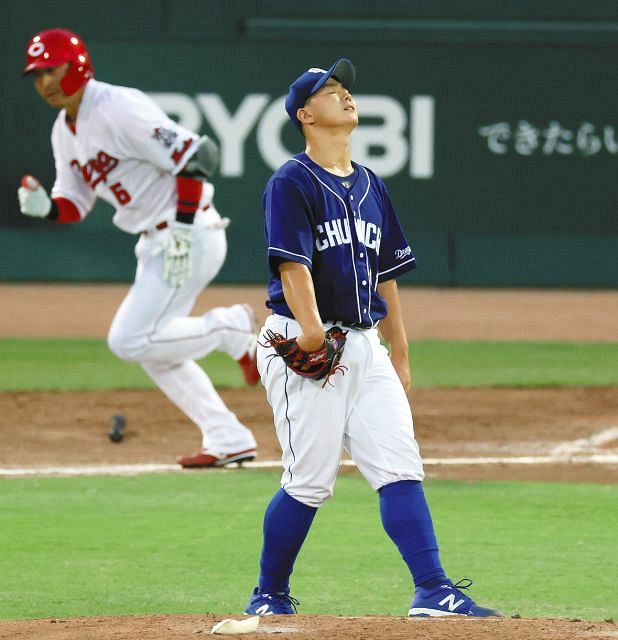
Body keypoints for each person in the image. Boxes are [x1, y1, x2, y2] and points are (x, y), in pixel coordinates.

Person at [243, 58, 503, 617]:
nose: (345, 96)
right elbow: (292, 266)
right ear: (305, 114)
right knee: (310, 481)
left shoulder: (371, 186)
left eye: (345, 89)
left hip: (363, 345)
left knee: (398, 464)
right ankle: (269, 595)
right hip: (303, 342)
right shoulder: (291, 181)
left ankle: (433, 589)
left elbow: (385, 274)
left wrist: (400, 354)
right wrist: (312, 332)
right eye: (330, 91)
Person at [18, 28, 259, 468]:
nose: (45, 82)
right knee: (155, 349)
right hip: (158, 241)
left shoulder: (116, 107)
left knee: (129, 339)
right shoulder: (64, 130)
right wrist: (47, 209)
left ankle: (231, 328)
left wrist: (184, 227)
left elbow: (195, 156)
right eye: (38, 75)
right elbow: (75, 202)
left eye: (52, 69)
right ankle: (228, 437)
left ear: (78, 65)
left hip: (187, 231)